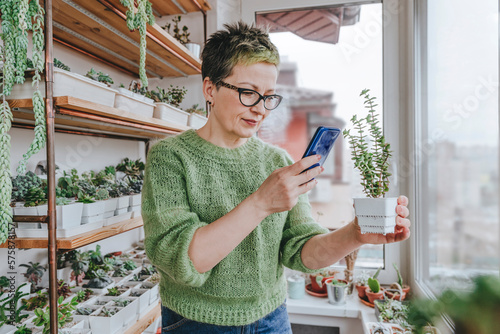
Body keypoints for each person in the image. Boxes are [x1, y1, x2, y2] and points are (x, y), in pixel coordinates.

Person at [142, 21, 411, 334]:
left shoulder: (277, 161)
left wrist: (355, 234)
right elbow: (185, 261)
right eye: (247, 93)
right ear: (209, 89)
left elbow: (301, 251)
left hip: (272, 319)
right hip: (196, 322)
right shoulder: (170, 157)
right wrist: (260, 203)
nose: (260, 109)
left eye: (269, 97)